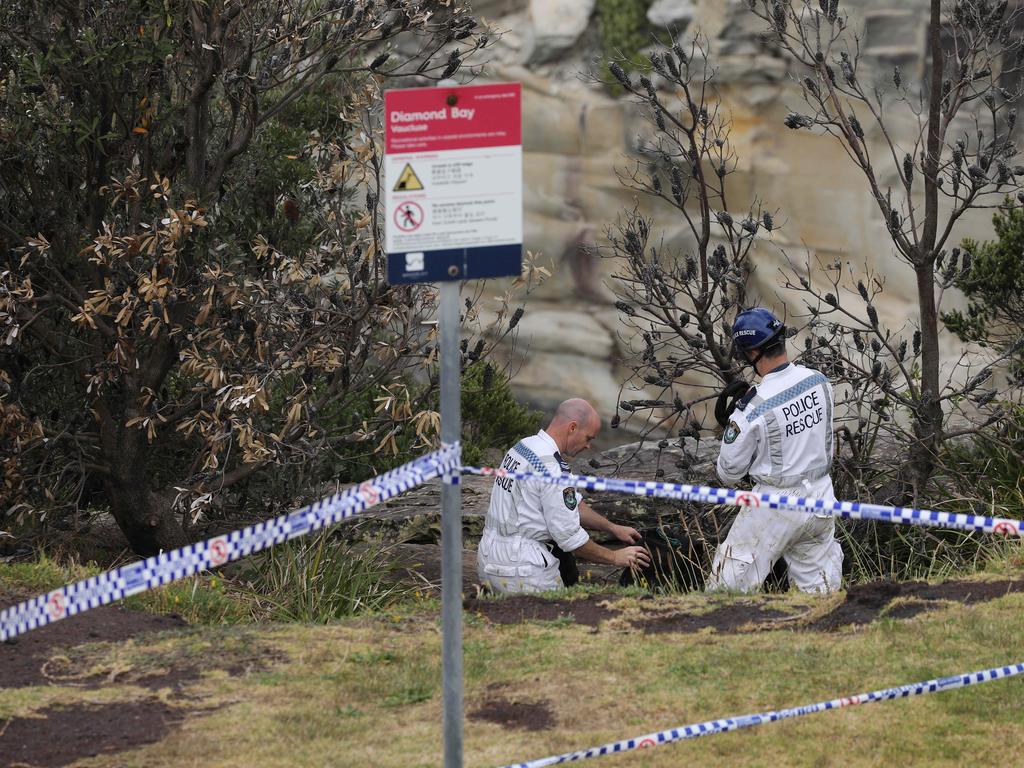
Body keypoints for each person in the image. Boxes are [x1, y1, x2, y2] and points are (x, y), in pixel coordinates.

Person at [707, 307, 844, 594]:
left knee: (728, 586)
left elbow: (729, 473)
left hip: (775, 505)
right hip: (821, 495)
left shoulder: (752, 408)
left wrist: (734, 424)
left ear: (751, 352)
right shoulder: (819, 381)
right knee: (821, 592)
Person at [477, 398, 651, 594]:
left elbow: (570, 504)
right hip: (522, 569)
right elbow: (570, 538)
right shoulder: (553, 469)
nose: (588, 446)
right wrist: (615, 557)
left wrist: (612, 528)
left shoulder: (523, 447)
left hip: (489, 558)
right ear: (573, 427)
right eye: (589, 438)